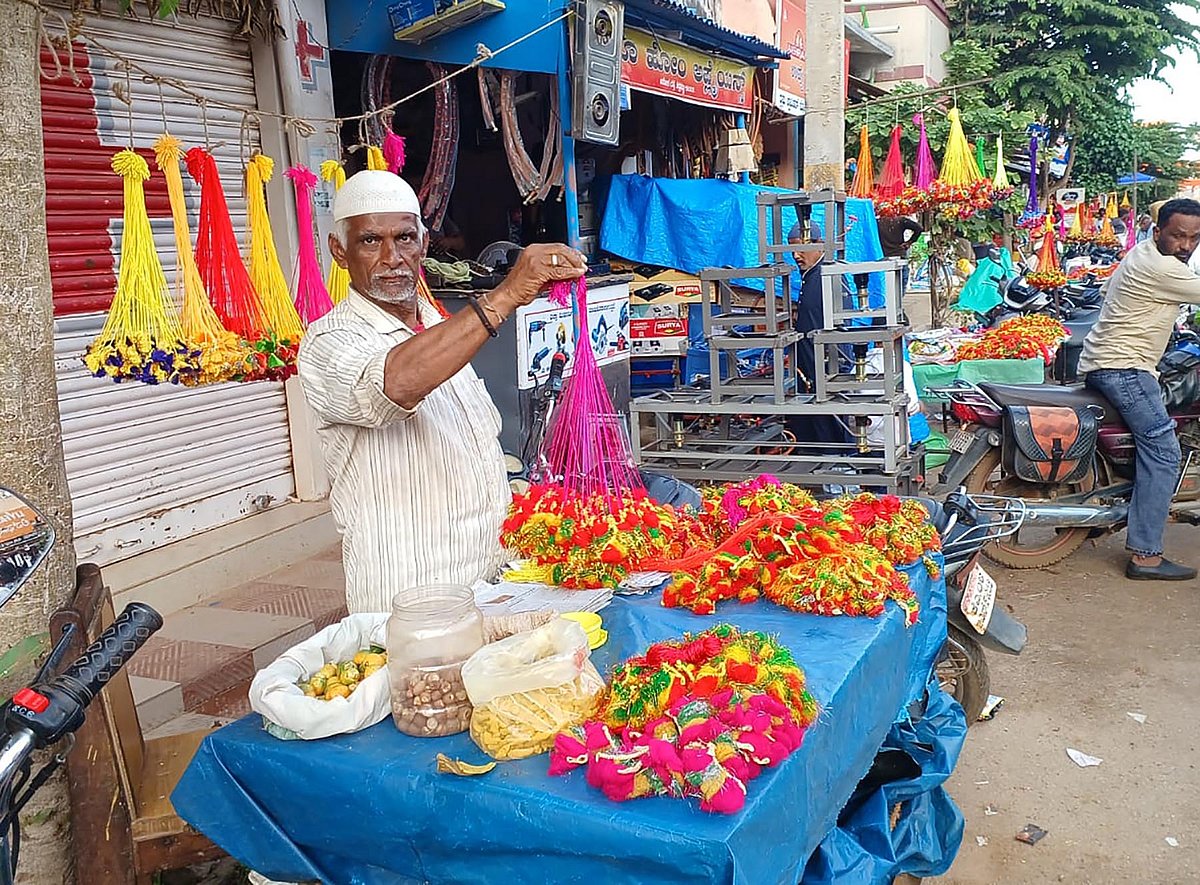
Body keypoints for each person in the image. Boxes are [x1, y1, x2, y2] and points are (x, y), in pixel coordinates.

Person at [297, 171, 587, 612]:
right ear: (339, 251)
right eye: (370, 242)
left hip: (494, 581)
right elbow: (394, 384)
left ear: (425, 245)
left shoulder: (439, 326)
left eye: (405, 239)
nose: (392, 257)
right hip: (412, 594)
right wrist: (505, 295)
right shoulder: (329, 340)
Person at [1078, 198, 1200, 581]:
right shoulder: (1159, 266)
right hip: (1123, 368)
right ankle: (1145, 555)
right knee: (1164, 449)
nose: (1186, 245)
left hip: (1114, 364)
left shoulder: (1142, 253)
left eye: (1194, 238)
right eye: (1178, 236)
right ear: (1157, 230)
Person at [786, 222, 851, 447]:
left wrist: (830, 371)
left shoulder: (829, 276)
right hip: (810, 369)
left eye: (801, 249)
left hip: (827, 368)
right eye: (791, 250)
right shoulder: (810, 277)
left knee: (831, 426)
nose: (795, 256)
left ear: (819, 245)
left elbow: (840, 328)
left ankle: (840, 470)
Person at [876, 215, 923, 293]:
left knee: (883, 286)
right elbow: (919, 228)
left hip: (882, 256)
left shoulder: (876, 221)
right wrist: (909, 242)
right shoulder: (900, 220)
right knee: (900, 285)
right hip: (899, 255)